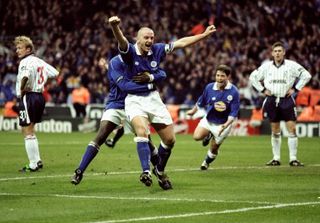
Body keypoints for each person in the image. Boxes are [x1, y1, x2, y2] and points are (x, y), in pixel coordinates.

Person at [108, 16, 216, 190]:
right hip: (134, 100)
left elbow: (181, 43)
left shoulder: (157, 50)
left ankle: (159, 170)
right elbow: (121, 41)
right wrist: (115, 27)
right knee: (142, 132)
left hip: (153, 98)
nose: (150, 40)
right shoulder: (129, 52)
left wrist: (203, 36)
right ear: (138, 39)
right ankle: (145, 172)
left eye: (152, 37)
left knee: (170, 140)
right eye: (146, 38)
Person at [71, 55, 166, 185]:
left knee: (147, 141)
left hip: (134, 105)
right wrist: (150, 86)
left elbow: (160, 73)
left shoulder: (138, 62)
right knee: (101, 135)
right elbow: (125, 85)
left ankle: (160, 175)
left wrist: (151, 78)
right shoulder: (116, 62)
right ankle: (79, 171)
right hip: (115, 104)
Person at [249, 41, 312, 166]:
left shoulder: (292, 65)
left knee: (292, 129)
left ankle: (293, 158)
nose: (277, 53)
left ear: (284, 52)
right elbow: (252, 77)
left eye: (280, 51)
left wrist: (296, 88)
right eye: (275, 51)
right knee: (275, 130)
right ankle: (276, 158)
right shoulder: (266, 66)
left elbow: (306, 75)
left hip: (286, 100)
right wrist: (262, 90)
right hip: (272, 100)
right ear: (272, 53)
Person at [14, 36, 59, 172]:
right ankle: (37, 161)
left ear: (28, 49)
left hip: (29, 96)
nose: (17, 51)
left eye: (20, 48)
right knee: (29, 129)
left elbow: (25, 76)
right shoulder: (39, 61)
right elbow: (55, 73)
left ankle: (33, 164)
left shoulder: (25, 62)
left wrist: (22, 89)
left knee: (27, 130)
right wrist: (41, 82)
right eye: (17, 48)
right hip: (39, 96)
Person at [186, 65, 240, 170]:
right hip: (209, 119)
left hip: (223, 124)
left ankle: (206, 162)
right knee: (196, 137)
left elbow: (234, 112)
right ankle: (208, 135)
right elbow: (201, 100)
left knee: (214, 148)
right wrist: (193, 111)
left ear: (228, 77)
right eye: (217, 75)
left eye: (222, 76)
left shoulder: (234, 92)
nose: (219, 78)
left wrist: (225, 125)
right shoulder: (210, 87)